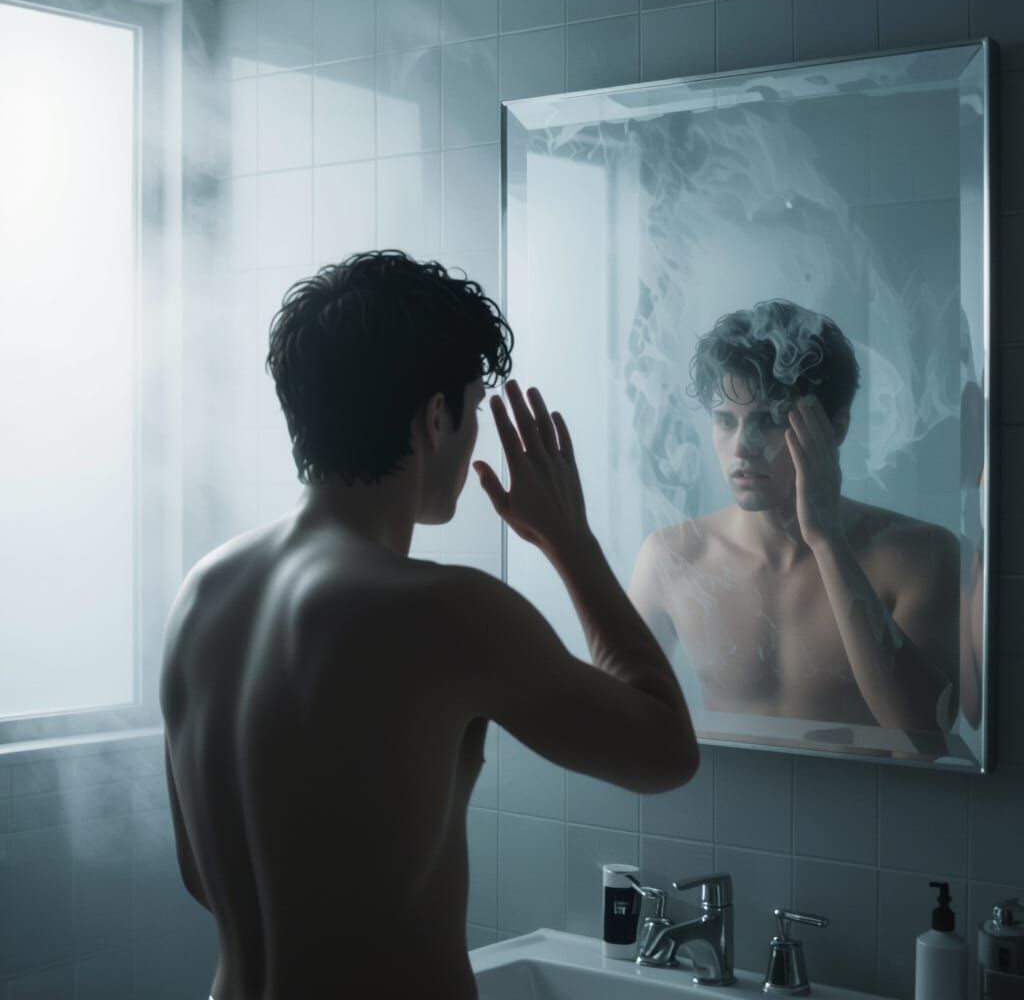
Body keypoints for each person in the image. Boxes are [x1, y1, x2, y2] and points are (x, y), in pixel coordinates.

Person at [159, 251, 698, 1000]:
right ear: (435, 417)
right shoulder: (443, 612)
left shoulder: (203, 593)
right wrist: (571, 541)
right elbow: (666, 751)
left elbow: (205, 876)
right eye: (474, 408)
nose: (474, 433)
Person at [629, 299, 959, 734]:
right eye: (725, 420)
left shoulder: (920, 555)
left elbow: (924, 735)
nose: (742, 446)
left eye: (768, 420)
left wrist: (826, 539)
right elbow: (616, 726)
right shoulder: (671, 556)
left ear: (835, 428)